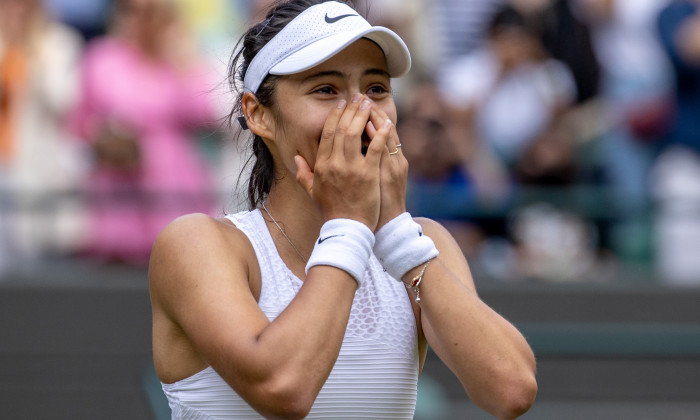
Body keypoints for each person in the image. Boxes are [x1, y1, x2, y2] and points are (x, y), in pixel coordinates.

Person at [149, 1, 537, 419]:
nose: (360, 111)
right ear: (258, 114)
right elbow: (283, 389)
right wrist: (349, 222)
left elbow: (511, 390)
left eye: (376, 89)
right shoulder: (198, 244)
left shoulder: (422, 242)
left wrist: (395, 231)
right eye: (326, 90)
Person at [71, 0, 220, 264]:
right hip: (118, 180)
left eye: (148, 12)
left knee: (178, 262)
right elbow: (80, 119)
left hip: (173, 181)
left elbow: (204, 114)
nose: (138, 20)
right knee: (117, 277)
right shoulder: (103, 57)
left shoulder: (176, 58)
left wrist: (181, 59)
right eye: (129, 9)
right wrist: (105, 136)